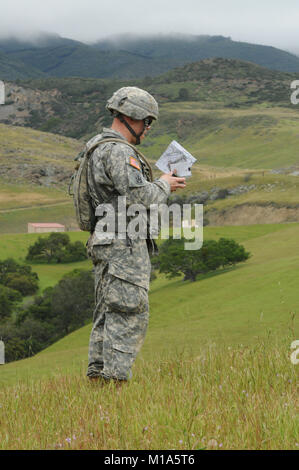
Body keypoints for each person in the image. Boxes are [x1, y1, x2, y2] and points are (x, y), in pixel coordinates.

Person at [86, 86, 186, 384]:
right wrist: (166, 184)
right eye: (147, 122)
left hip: (108, 239)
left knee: (108, 311)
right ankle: (114, 383)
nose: (148, 129)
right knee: (128, 312)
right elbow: (139, 197)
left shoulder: (97, 146)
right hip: (123, 243)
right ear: (133, 117)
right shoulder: (118, 151)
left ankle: (99, 380)